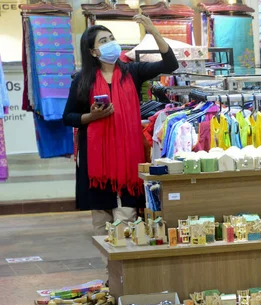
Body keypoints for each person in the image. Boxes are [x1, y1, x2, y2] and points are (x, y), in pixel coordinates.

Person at [63, 16, 178, 236]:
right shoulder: (82, 80)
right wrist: (92, 116)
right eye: (103, 41)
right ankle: (111, 271)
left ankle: (124, 270)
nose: (110, 43)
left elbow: (170, 64)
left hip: (127, 160)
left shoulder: (133, 72)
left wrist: (153, 30)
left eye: (111, 38)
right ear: (93, 52)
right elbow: (68, 117)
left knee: (126, 223)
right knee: (102, 226)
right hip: (96, 163)